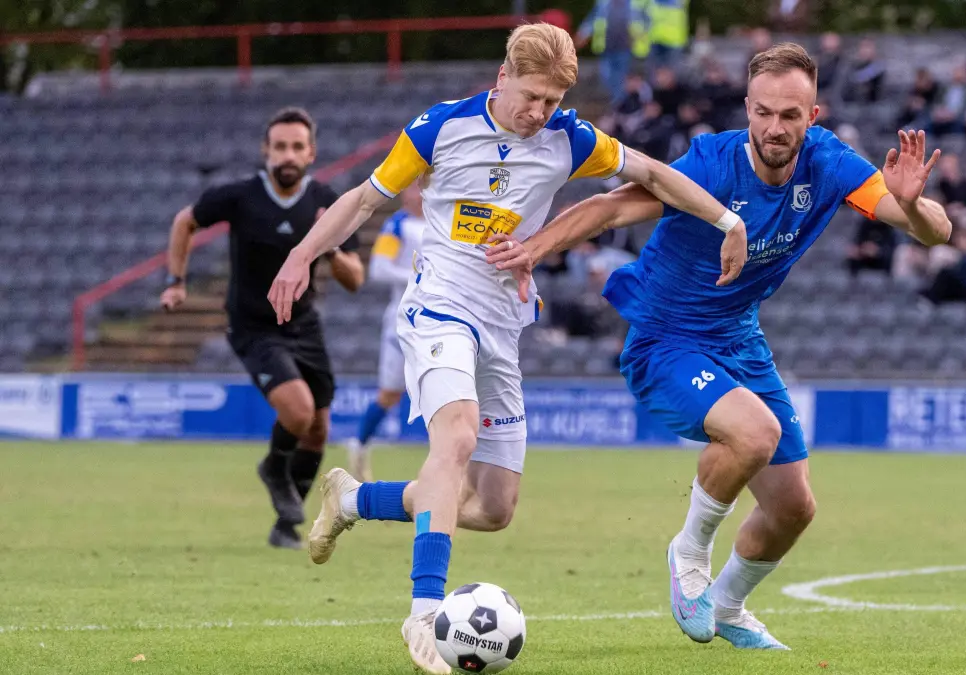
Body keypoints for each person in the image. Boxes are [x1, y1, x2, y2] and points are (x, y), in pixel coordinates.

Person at [265, 23, 748, 674]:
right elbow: (363, 199)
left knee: (492, 508)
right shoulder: (439, 130)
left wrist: (727, 219)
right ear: (501, 77)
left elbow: (656, 175)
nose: (539, 112)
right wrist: (301, 255)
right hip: (437, 303)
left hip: (502, 321)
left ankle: (352, 500)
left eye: (551, 100)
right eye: (530, 97)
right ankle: (423, 613)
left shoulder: (569, 138)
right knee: (455, 439)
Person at [505, 42, 951, 649]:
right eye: (763, 112)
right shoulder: (711, 165)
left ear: (813, 115)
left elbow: (932, 231)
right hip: (666, 342)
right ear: (747, 107)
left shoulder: (830, 163)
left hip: (739, 339)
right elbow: (612, 208)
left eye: (790, 115)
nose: (775, 127)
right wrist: (532, 249)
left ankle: (729, 605)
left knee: (793, 508)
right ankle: (688, 554)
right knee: (754, 433)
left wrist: (909, 204)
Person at [160, 108, 365, 550]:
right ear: (265, 151)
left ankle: (285, 525)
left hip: (304, 325)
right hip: (254, 325)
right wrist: (176, 281)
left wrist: (326, 245)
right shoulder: (239, 196)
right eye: (279, 147)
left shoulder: (328, 201)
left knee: (318, 429)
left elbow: (355, 279)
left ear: (310, 153)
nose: (287, 156)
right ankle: (274, 469)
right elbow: (185, 221)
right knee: (298, 411)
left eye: (296, 147)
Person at [343, 184, 426, 482]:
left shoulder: (444, 220)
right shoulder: (398, 225)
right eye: (410, 189)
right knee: (390, 393)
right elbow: (379, 268)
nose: (413, 194)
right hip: (403, 318)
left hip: (440, 318)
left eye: (418, 188)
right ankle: (360, 445)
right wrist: (420, 277)